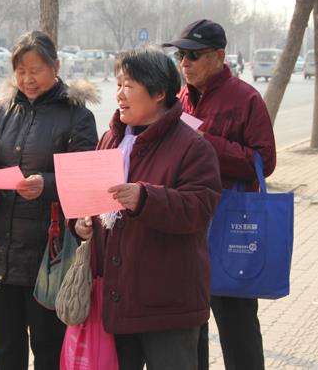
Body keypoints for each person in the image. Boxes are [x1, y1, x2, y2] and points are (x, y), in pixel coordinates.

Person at [73, 48, 222, 370]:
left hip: (168, 304)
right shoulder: (110, 140)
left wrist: (145, 199)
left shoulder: (192, 146)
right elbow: (97, 205)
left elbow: (199, 209)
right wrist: (85, 223)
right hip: (117, 297)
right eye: (118, 85)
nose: (119, 95)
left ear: (158, 93)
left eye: (128, 86)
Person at [0, 30, 99, 370]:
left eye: (36, 70)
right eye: (21, 71)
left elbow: (86, 179)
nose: (27, 79)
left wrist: (47, 184)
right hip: (0, 250)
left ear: (56, 66)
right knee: (5, 345)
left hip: (48, 253)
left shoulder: (76, 115)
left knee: (48, 346)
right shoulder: (1, 109)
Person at [164, 19, 277, 370]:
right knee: (190, 327)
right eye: (181, 56)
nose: (185, 63)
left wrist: (207, 143)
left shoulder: (246, 99)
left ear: (219, 56)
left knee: (237, 325)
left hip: (230, 226)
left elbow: (264, 161)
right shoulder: (179, 98)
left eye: (194, 55)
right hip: (185, 224)